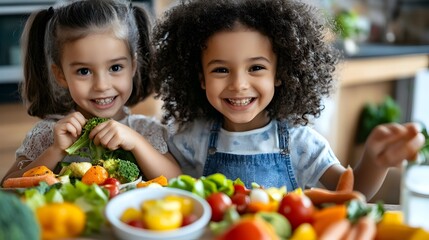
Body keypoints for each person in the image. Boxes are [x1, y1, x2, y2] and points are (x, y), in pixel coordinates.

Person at [151, 0, 425, 200]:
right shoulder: (193, 136)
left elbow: (351, 192)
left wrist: (375, 161)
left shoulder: (298, 142)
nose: (238, 84)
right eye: (221, 70)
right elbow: (165, 177)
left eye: (256, 68)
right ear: (200, 78)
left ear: (279, 74)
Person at [2, 0, 181, 183]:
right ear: (61, 75)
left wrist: (137, 143)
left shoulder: (146, 132)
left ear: (133, 66)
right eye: (84, 71)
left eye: (116, 67)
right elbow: (8, 185)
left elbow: (178, 180)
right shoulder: (47, 135)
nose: (102, 85)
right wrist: (55, 151)